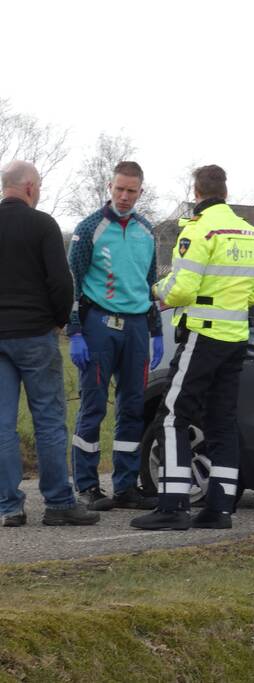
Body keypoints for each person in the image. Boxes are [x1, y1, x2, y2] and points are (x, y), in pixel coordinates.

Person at [131, 165, 254, 531]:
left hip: (202, 337)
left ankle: (172, 505)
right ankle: (219, 509)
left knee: (173, 416)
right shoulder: (250, 234)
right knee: (222, 422)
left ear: (197, 192)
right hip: (235, 339)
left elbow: (183, 290)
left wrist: (158, 290)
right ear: (225, 190)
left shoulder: (199, 229)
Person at [0, 160, 99, 527]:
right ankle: (58, 502)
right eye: (38, 186)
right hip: (35, 335)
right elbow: (61, 281)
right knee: (49, 420)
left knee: (1, 425)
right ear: (28, 187)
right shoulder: (42, 225)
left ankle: (9, 506)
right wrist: (59, 320)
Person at [66, 161, 163, 511]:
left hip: (137, 327)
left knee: (133, 406)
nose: (124, 196)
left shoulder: (147, 231)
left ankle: (125, 485)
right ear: (110, 186)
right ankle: (88, 486)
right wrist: (75, 330)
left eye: (131, 191)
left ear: (141, 191)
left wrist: (155, 330)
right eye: (119, 189)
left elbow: (150, 283)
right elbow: (72, 283)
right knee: (93, 407)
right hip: (98, 326)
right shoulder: (89, 228)